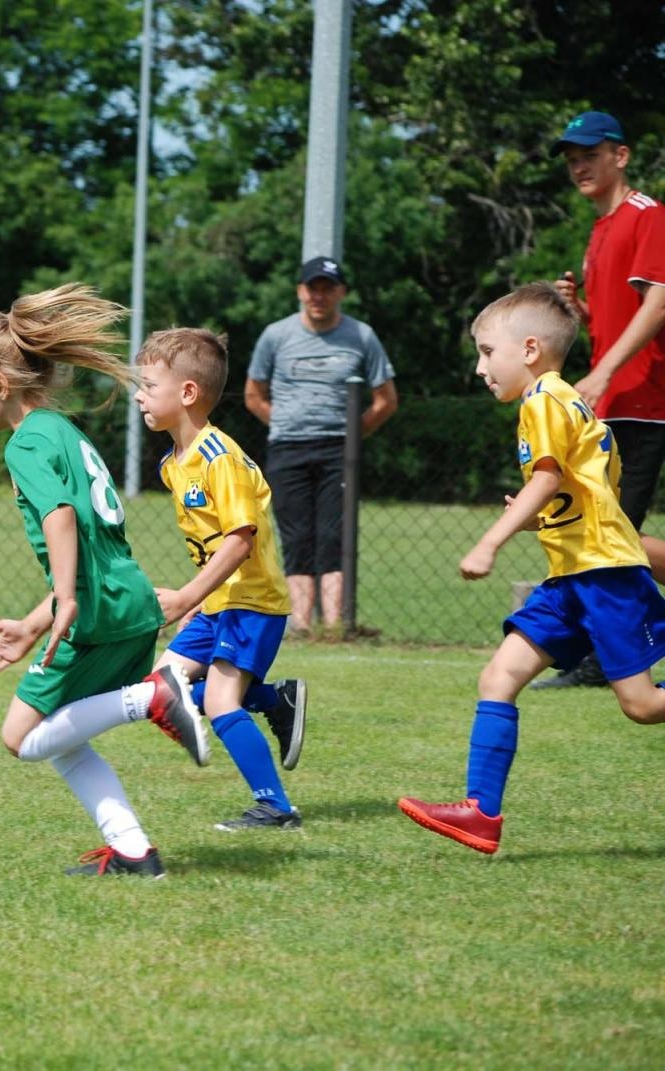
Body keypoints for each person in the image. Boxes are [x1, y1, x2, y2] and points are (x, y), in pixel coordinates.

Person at [398, 282, 665, 855]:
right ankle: (480, 814)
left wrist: (489, 542)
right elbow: (583, 494)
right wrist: (533, 521)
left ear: (530, 350)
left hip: (602, 577)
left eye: (487, 352)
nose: (479, 367)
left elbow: (547, 480)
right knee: (500, 676)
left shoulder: (544, 401)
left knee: (642, 705)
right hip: (571, 576)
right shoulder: (568, 403)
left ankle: (480, 811)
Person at [0, 283, 209, 879]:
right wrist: (33, 621)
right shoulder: (62, 430)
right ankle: (132, 850)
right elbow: (93, 546)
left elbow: (61, 517)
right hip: (129, 601)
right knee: (64, 740)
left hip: (97, 612)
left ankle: (150, 697)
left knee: (20, 737)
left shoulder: (26, 442)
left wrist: (67, 600)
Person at [135, 327, 309, 830]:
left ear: (187, 393)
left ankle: (276, 806)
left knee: (217, 700)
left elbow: (240, 540)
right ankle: (275, 701)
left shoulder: (221, 459)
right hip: (218, 605)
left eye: (148, 385)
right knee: (159, 690)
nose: (139, 396)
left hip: (252, 602)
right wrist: (198, 601)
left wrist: (189, 593)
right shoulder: (174, 465)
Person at [533, 111, 665, 688]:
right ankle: (598, 653)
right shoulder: (599, 231)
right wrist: (581, 311)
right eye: (572, 159)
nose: (579, 165)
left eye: (590, 153)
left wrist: (602, 371)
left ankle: (595, 658)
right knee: (607, 533)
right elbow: (617, 322)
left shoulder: (648, 215)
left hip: (645, 399)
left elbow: (659, 303)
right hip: (614, 398)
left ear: (622, 156)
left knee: (608, 537)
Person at [245, 257, 397, 633]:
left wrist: (353, 435)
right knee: (296, 535)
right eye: (313, 287)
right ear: (300, 291)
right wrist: (282, 422)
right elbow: (253, 394)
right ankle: (301, 625)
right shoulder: (276, 336)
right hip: (287, 448)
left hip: (338, 452)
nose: (319, 296)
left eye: (328, 288)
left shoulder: (361, 336)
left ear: (341, 292)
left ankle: (333, 625)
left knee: (333, 535)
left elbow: (386, 400)